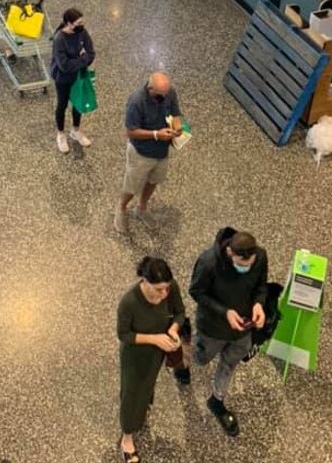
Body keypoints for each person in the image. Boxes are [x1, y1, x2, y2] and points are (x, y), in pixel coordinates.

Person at [189, 227, 268, 438]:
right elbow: (196, 292)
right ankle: (183, 357)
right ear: (230, 253)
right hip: (212, 328)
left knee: (230, 363)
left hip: (243, 329)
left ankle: (217, 399)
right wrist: (225, 313)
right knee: (201, 359)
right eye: (241, 266)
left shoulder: (259, 256)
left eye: (249, 265)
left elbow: (261, 286)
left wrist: (259, 304)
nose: (246, 269)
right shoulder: (208, 262)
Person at [117, 257, 186, 463]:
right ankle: (127, 436)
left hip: (158, 351)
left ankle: (144, 406)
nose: (164, 294)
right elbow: (124, 335)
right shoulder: (129, 302)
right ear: (144, 282)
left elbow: (179, 312)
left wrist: (173, 330)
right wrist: (155, 339)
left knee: (148, 385)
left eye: (166, 288)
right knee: (131, 393)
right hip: (135, 355)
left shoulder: (170, 287)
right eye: (158, 289)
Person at [114, 72, 182, 233]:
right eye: (160, 95)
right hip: (141, 153)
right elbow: (130, 131)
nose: (164, 97)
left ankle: (142, 207)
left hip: (161, 151)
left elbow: (175, 112)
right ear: (150, 88)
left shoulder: (168, 91)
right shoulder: (136, 101)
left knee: (154, 180)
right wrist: (156, 134)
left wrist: (178, 127)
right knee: (132, 185)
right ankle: (121, 207)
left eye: (166, 94)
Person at [50, 8, 95, 153]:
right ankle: (60, 134)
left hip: (77, 76)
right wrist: (82, 60)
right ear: (68, 23)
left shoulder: (81, 32)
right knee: (62, 105)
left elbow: (91, 53)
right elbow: (63, 65)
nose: (82, 25)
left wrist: (78, 61)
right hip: (62, 78)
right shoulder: (59, 39)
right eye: (78, 23)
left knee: (77, 103)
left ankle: (75, 130)